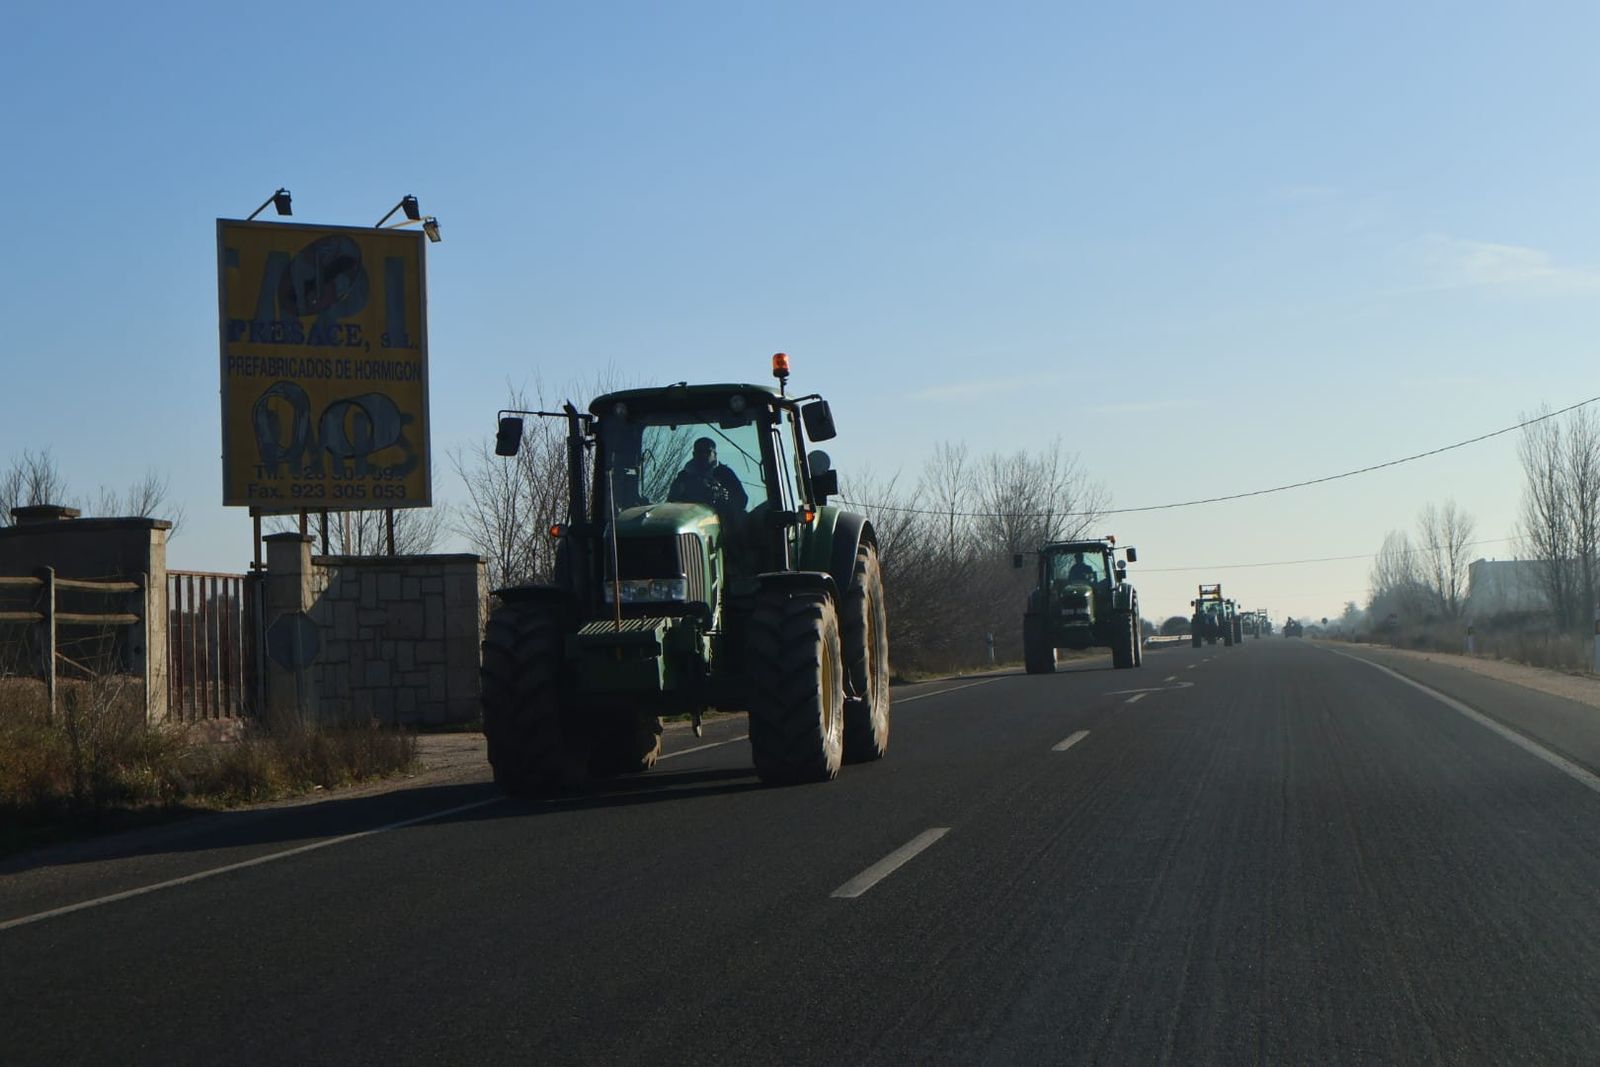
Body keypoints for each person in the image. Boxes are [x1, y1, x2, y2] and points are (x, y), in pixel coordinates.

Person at [668, 437, 748, 512]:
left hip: (719, 521)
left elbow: (742, 500)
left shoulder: (725, 474)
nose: (703, 455)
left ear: (715, 454)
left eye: (707, 452)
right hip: (691, 520)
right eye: (699, 451)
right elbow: (671, 503)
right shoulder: (684, 476)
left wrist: (724, 501)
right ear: (694, 454)